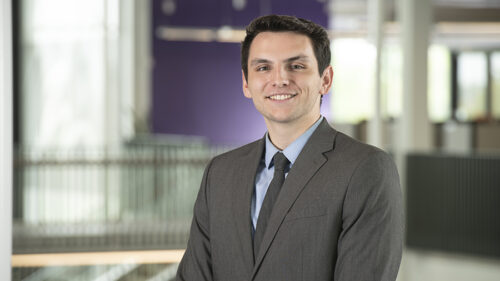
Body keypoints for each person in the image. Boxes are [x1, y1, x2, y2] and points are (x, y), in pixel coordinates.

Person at [176, 14, 403, 281]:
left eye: (296, 66)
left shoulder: (365, 169)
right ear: (246, 83)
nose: (280, 79)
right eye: (263, 68)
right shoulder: (221, 172)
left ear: (325, 79)